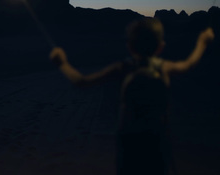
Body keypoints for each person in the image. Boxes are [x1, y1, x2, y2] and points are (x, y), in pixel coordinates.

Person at [50, 17, 215, 175]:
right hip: (157, 140)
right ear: (161, 47)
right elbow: (189, 64)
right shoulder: (165, 68)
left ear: (130, 46)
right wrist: (202, 43)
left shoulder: (122, 68)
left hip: (129, 142)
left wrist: (62, 63)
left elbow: (81, 81)